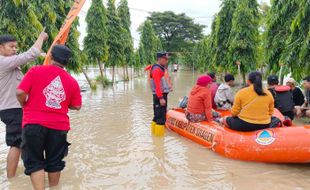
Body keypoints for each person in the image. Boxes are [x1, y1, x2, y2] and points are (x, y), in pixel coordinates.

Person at [16, 45, 82, 189]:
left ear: (50, 56)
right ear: (67, 62)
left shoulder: (35, 71)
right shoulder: (72, 81)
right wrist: (63, 104)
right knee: (54, 161)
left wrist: (24, 104)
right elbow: (77, 106)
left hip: (33, 124)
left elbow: (20, 92)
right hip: (59, 127)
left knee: (34, 162)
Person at [0, 30, 48, 178]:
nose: (15, 49)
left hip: (14, 109)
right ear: (0, 48)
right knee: (16, 143)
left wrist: (43, 55)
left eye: (16, 47)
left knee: (23, 142)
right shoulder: (3, 62)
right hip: (12, 109)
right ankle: (11, 180)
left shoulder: (10, 63)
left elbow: (29, 58)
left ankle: (21, 175)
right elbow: (30, 54)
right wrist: (41, 38)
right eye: (11, 46)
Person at [149, 52, 171, 136]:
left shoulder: (159, 68)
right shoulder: (156, 70)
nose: (166, 61)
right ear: (159, 59)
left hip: (159, 95)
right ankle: (159, 142)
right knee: (161, 118)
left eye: (167, 59)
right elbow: (157, 84)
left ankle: (154, 136)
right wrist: (161, 98)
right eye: (165, 59)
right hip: (160, 96)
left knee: (156, 116)